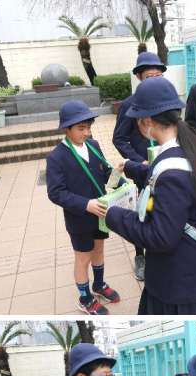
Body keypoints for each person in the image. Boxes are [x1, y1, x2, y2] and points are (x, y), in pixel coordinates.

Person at [100, 76, 196, 315]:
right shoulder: (194, 141)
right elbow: (172, 175)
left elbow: (160, 236)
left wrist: (113, 215)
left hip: (181, 284)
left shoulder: (173, 172)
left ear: (147, 121)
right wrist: (131, 167)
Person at [46, 100, 120, 315]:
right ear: (66, 129)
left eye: (88, 127)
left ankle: (99, 284)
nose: (87, 132)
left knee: (99, 249)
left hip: (101, 212)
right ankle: (85, 298)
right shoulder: (56, 157)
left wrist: (120, 179)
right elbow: (56, 193)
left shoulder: (93, 145)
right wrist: (86, 204)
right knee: (83, 257)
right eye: (81, 128)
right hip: (78, 217)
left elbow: (105, 173)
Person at [112, 52, 167, 281]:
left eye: (157, 76)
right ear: (139, 77)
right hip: (143, 170)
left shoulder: (166, 100)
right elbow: (119, 138)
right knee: (142, 210)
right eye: (148, 77)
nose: (153, 80)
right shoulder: (129, 104)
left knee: (163, 207)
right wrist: (137, 161)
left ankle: (162, 248)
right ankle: (140, 255)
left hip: (166, 165)